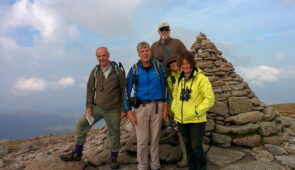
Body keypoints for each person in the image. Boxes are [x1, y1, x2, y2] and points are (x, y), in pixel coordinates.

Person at [60, 47, 126, 169]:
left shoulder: (118, 71)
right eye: (99, 56)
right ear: (97, 57)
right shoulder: (95, 71)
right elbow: (90, 89)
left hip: (114, 109)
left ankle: (113, 158)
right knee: (81, 125)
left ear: (108, 55)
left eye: (104, 55)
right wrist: (89, 106)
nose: (102, 58)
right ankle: (78, 153)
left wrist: (124, 109)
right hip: (98, 107)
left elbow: (124, 91)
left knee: (114, 133)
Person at [125, 42, 168, 170]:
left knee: (155, 139)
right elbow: (126, 91)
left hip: (157, 106)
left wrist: (166, 104)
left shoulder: (158, 66)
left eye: (147, 50)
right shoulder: (134, 69)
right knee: (142, 140)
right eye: (142, 51)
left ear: (150, 52)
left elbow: (166, 87)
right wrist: (128, 110)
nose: (145, 53)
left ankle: (155, 165)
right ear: (138, 53)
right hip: (141, 108)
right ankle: (142, 166)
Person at [171, 51, 214, 170]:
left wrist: (196, 111)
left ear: (192, 63)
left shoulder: (201, 79)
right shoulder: (180, 79)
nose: (186, 66)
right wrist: (175, 112)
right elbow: (175, 96)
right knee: (188, 147)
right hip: (182, 119)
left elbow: (210, 99)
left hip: (196, 120)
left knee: (196, 147)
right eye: (183, 64)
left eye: (188, 63)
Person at [163, 55, 187, 168]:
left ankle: (195, 158)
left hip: (190, 111)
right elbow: (170, 98)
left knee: (194, 136)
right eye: (170, 63)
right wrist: (170, 114)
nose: (173, 64)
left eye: (174, 61)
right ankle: (186, 159)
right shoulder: (169, 79)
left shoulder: (187, 73)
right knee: (182, 137)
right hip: (178, 113)